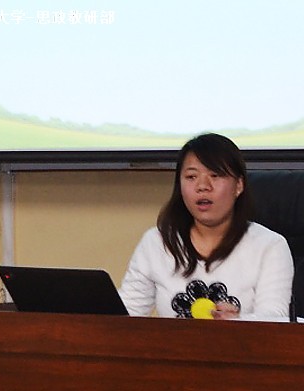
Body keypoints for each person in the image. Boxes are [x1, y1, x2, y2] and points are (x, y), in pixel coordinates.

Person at [118, 133, 294, 320]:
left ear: (238, 185)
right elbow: (123, 317)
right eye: (191, 176)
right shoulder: (157, 242)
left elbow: (276, 319)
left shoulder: (270, 246)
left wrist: (239, 322)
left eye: (215, 175)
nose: (202, 186)